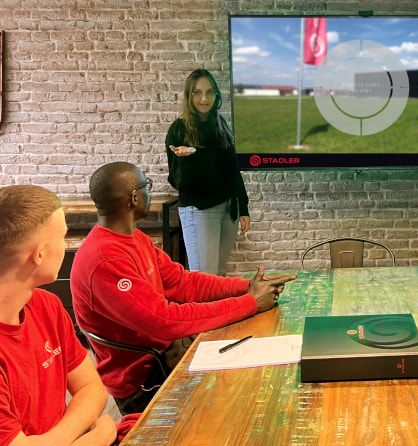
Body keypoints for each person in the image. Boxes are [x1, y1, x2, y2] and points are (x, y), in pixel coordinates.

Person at [70, 162, 296, 415]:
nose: (150, 191)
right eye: (148, 186)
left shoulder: (134, 239)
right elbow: (164, 320)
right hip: (146, 378)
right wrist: (251, 303)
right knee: (251, 394)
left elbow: (183, 283)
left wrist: (247, 288)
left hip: (166, 353)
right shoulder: (106, 259)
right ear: (135, 198)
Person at [0, 185, 117, 445]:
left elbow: (91, 388)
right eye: (63, 237)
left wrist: (61, 439)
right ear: (39, 254)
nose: (65, 247)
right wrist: (93, 439)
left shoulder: (47, 306)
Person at [166, 68, 249, 275]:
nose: (204, 98)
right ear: (189, 95)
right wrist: (185, 160)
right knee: (204, 278)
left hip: (228, 209)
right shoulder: (178, 130)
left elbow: (232, 169)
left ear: (216, 95)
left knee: (218, 274)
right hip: (199, 211)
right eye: (197, 92)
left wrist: (244, 207)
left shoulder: (220, 124)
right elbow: (178, 182)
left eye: (210, 92)